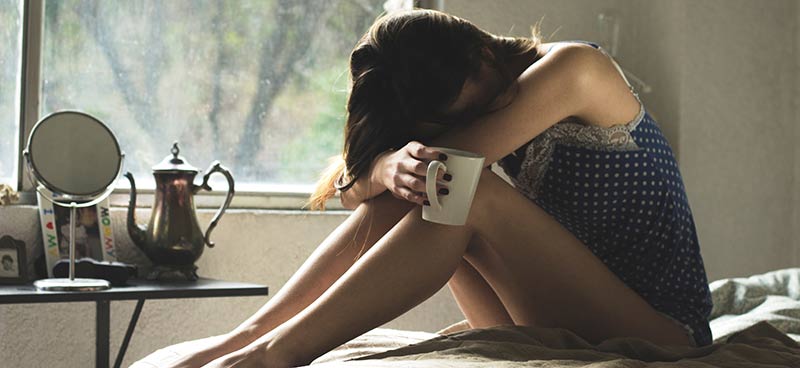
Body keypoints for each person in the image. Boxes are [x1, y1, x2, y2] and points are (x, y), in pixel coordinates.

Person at [136, 8, 712, 368]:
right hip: (554, 320)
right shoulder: (464, 115)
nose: (480, 118)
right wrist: (386, 166)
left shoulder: (577, 68)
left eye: (475, 108)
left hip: (660, 330)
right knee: (424, 184)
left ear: (485, 53)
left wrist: (399, 163)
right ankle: (250, 336)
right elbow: (351, 188)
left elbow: (449, 163)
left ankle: (276, 354)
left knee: (463, 187)